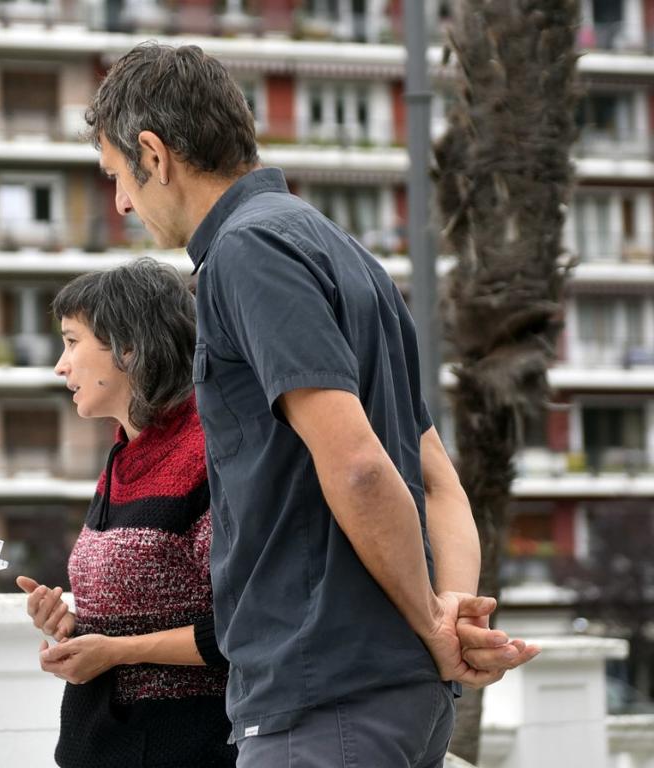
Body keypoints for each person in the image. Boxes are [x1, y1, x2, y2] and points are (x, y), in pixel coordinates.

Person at [81, 43, 541, 767]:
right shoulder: (347, 255)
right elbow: (439, 481)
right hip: (394, 700)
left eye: (117, 177)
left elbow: (357, 464)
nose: (122, 203)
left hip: (324, 699)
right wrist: (451, 613)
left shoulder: (245, 252)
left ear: (154, 153)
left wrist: (431, 621)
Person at [16, 258, 236, 767]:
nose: (60, 364)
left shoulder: (208, 452)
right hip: (101, 741)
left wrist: (116, 651)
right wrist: (71, 625)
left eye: (72, 342)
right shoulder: (124, 452)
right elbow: (146, 608)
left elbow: (244, 626)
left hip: (188, 744)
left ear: (130, 346)